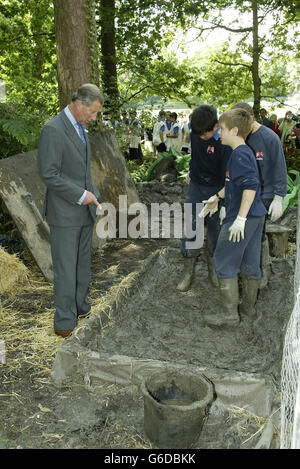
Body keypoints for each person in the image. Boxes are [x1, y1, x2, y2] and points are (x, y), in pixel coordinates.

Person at [38, 83, 104, 338]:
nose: (94, 118)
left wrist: (93, 194)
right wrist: (80, 195)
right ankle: (65, 321)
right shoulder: (53, 130)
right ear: (79, 104)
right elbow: (49, 174)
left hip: (84, 212)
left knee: (81, 265)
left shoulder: (80, 128)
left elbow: (81, 172)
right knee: (66, 269)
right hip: (65, 214)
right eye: (93, 112)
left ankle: (80, 308)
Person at [200, 108, 267, 327]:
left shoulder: (240, 154)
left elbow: (250, 186)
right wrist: (216, 198)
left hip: (243, 218)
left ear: (235, 130)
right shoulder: (242, 152)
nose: (219, 132)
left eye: (222, 128)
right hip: (256, 217)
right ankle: (249, 311)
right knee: (250, 262)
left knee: (223, 260)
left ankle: (229, 316)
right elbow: (234, 182)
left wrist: (239, 219)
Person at [230, 102, 287, 289]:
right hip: (243, 193)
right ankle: (245, 270)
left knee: (258, 235)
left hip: (264, 195)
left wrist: (278, 197)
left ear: (252, 118)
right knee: (241, 233)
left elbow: (279, 167)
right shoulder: (238, 136)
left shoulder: (269, 138)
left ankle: (262, 271)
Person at [176, 104, 232, 292]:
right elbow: (195, 155)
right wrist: (192, 172)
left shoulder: (224, 143)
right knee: (192, 229)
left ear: (215, 127)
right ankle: (188, 272)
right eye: (197, 134)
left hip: (217, 189)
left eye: (204, 135)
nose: (200, 138)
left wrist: (223, 199)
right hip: (196, 187)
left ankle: (212, 270)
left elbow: (229, 175)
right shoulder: (197, 131)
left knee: (215, 232)